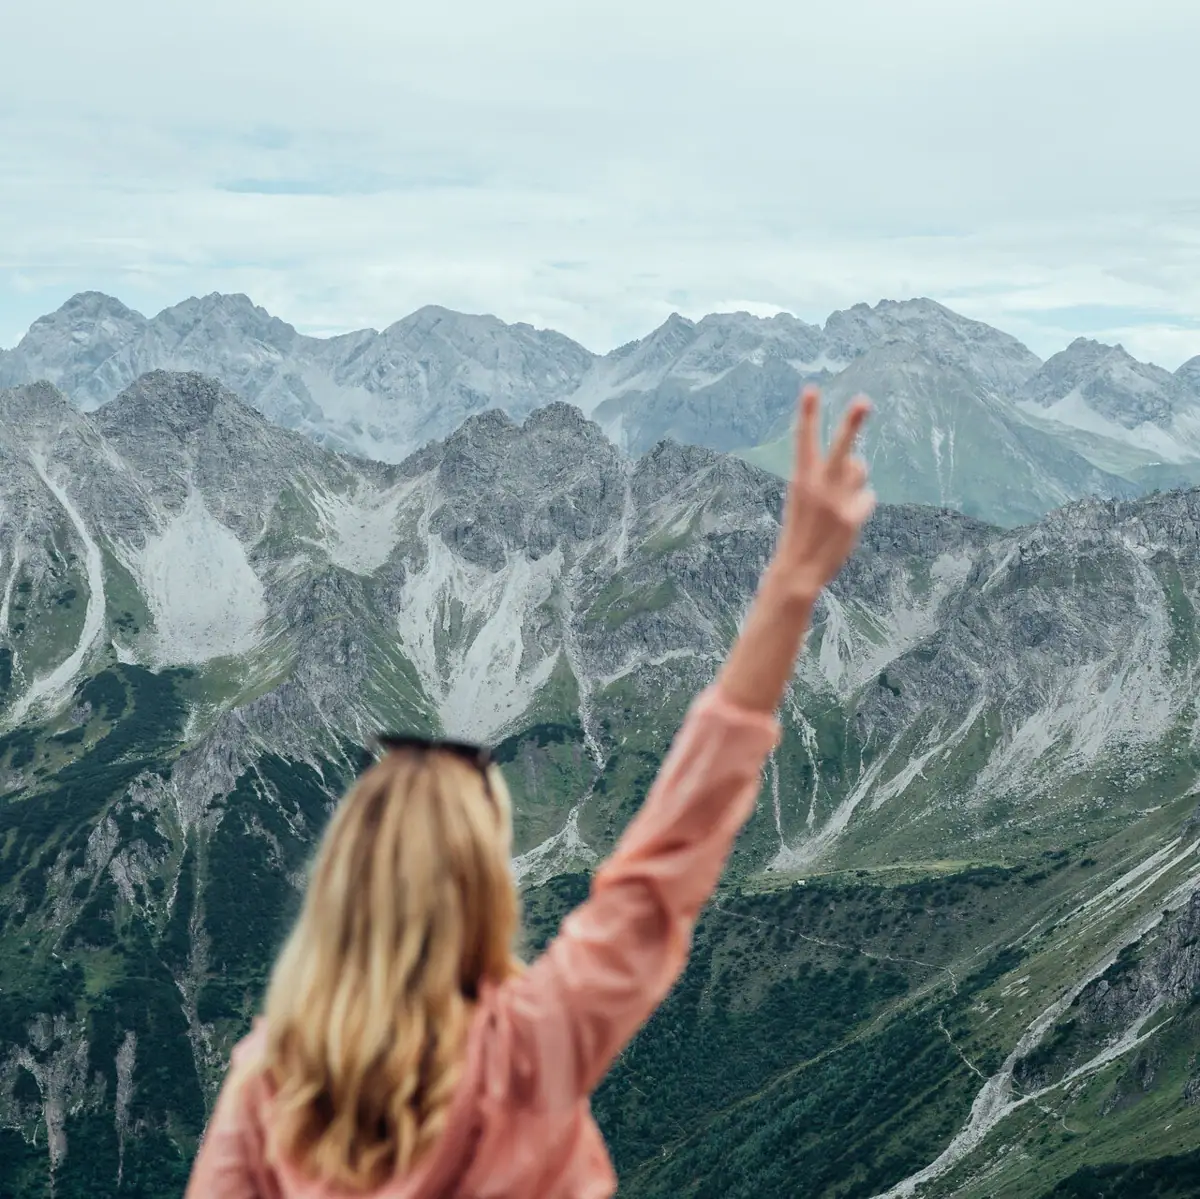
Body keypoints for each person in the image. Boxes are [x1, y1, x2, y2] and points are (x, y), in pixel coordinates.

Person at [185, 385, 875, 1198]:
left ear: (342, 883)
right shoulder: (531, 1048)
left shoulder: (268, 1086)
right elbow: (659, 875)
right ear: (480, 891)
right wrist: (792, 581)